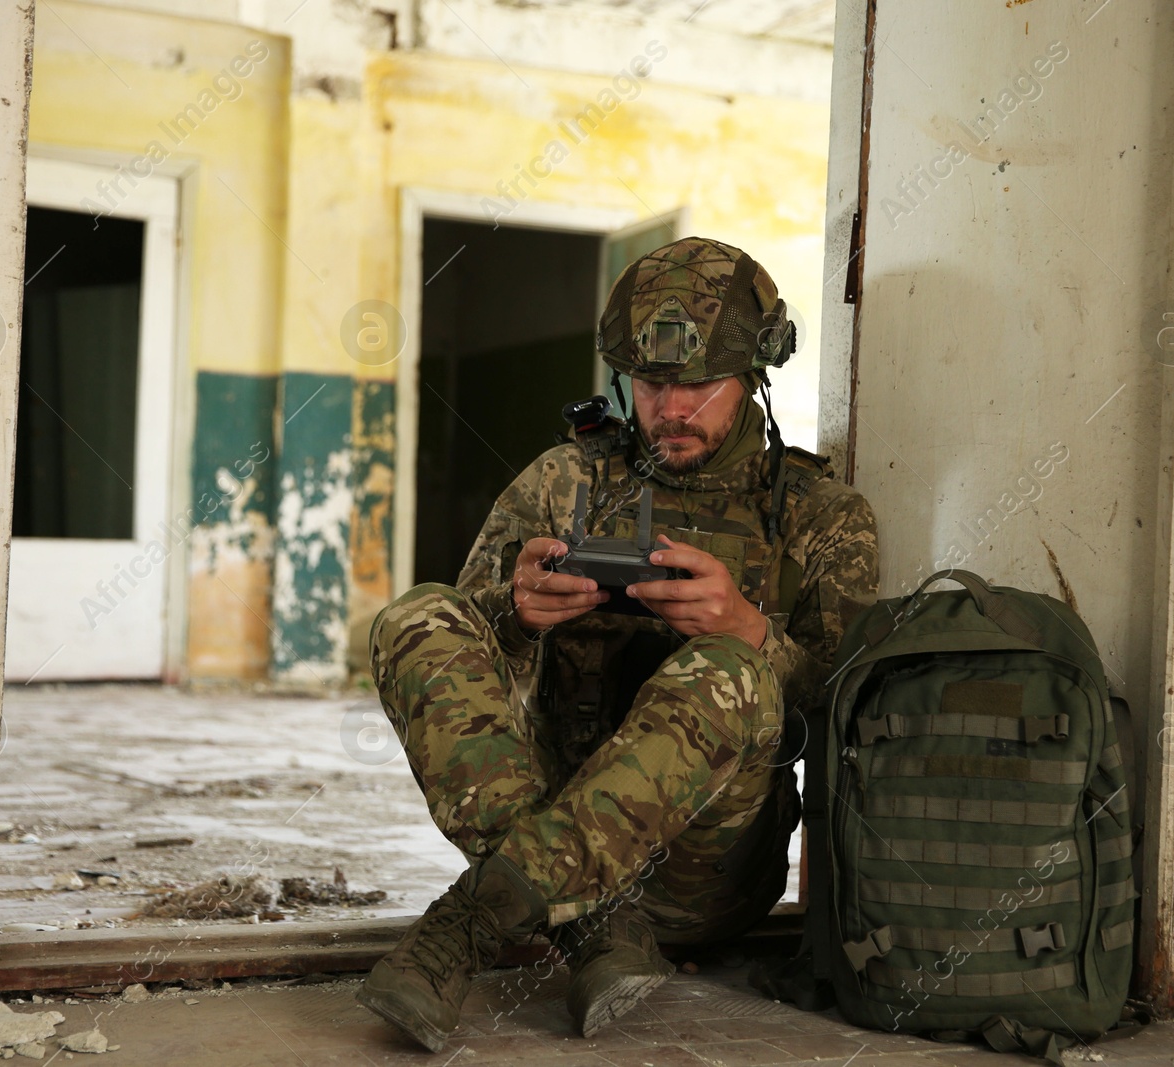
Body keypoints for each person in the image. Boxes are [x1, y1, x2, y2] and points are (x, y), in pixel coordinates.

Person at [358, 237, 879, 1051]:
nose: (672, 408)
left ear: (754, 375)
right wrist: (516, 613)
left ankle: (464, 927)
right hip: (548, 810)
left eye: (700, 383)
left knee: (729, 670)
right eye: (651, 383)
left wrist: (750, 632)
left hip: (701, 871)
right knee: (417, 615)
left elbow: (851, 709)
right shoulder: (567, 480)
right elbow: (470, 660)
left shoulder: (819, 515)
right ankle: (592, 926)